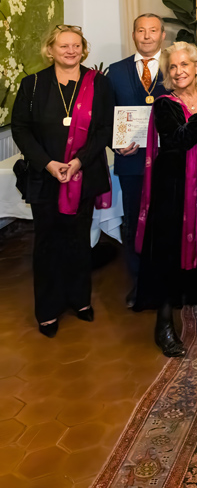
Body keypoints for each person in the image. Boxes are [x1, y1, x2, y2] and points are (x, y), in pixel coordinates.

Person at [11, 25, 113, 337]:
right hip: (46, 177)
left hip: (84, 174)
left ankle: (80, 301)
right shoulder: (33, 85)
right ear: (50, 50)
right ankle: (47, 310)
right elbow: (21, 129)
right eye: (63, 46)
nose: (70, 51)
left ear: (84, 50)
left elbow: (104, 130)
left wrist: (78, 161)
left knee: (79, 241)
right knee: (46, 244)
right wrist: (48, 164)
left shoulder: (100, 84)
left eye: (76, 46)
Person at [134, 42, 197, 356]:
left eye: (184, 64)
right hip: (172, 188)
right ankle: (164, 325)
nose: (178, 71)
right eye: (172, 67)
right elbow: (179, 140)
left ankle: (193, 295)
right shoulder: (165, 103)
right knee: (168, 253)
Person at [106, 13, 168, 308]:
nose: (146, 36)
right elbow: (105, 119)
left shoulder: (175, 67)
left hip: (167, 162)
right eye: (141, 30)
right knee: (134, 223)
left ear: (162, 35)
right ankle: (139, 283)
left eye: (152, 30)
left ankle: (166, 283)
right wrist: (115, 145)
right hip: (131, 163)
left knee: (166, 222)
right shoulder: (115, 72)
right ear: (133, 35)